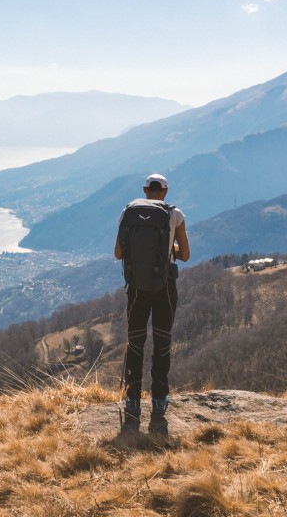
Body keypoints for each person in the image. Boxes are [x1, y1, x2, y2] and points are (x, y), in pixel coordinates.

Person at [114, 172, 190, 423]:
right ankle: (159, 399)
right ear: (165, 191)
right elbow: (186, 254)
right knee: (162, 340)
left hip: (136, 285)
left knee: (135, 340)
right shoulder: (175, 214)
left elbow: (118, 253)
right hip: (164, 286)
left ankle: (132, 399)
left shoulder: (128, 212)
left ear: (145, 190)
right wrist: (169, 248)